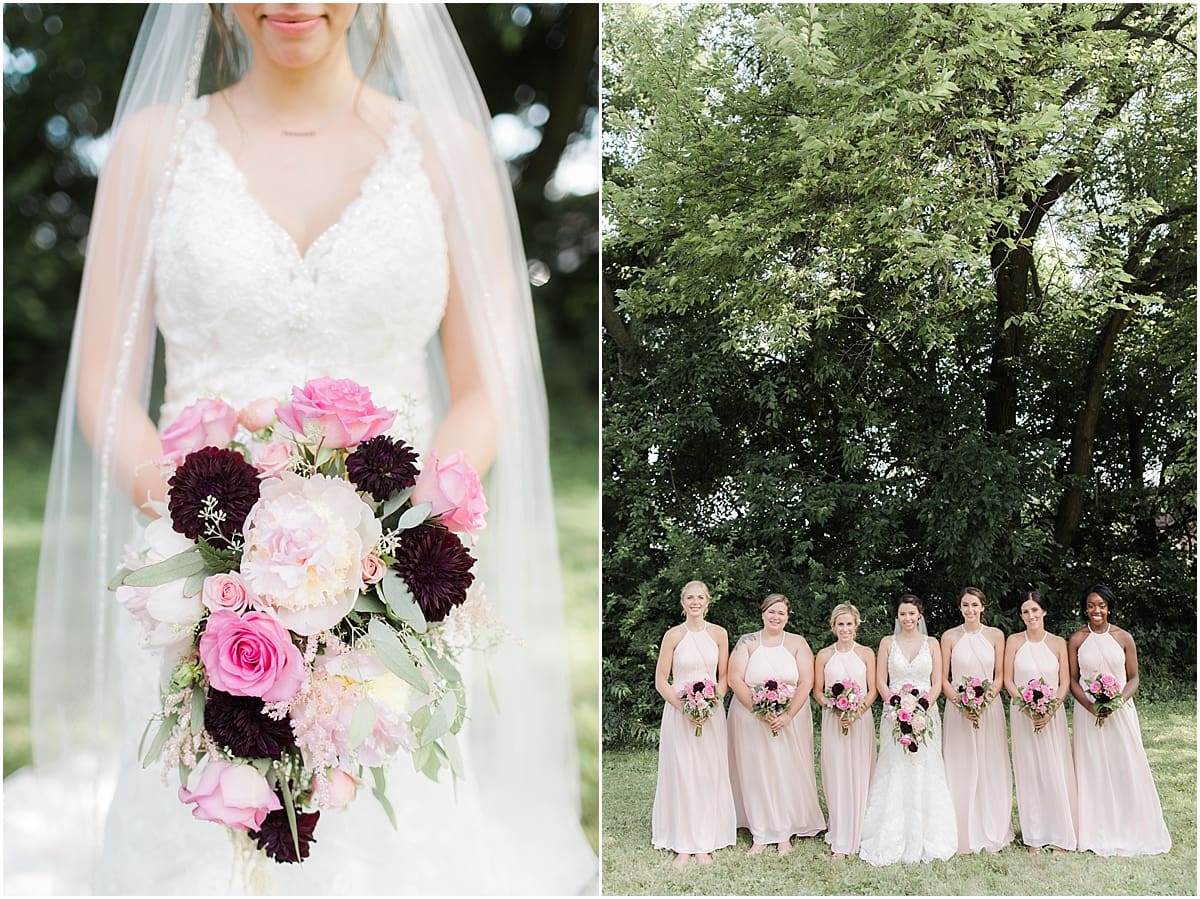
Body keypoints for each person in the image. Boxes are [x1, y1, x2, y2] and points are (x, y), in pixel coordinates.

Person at [4, 5, 596, 894]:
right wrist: (193, 519)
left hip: (393, 574)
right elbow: (102, 380)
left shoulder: (448, 149)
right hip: (193, 569)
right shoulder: (152, 145)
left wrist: (395, 534)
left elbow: (486, 386)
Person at [1067, 585, 1171, 856]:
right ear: (1085, 608)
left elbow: (1133, 677)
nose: (1096, 610)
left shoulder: (1123, 637)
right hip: (1087, 712)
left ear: (1109, 607)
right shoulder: (1077, 639)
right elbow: (1072, 680)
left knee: (1124, 764)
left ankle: (1131, 824)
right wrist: (1091, 706)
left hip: (1119, 710)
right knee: (1092, 767)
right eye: (1091, 605)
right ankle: (1094, 829)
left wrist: (1117, 702)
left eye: (1101, 605)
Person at [858, 593, 957, 865]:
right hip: (894, 712)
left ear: (920, 615)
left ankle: (928, 832)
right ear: (897, 617)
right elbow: (880, 680)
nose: (908, 618)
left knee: (926, 765)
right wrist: (895, 705)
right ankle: (892, 832)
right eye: (903, 614)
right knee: (896, 767)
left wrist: (922, 705)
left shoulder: (932, 643)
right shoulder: (887, 643)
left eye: (912, 613)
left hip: (927, 712)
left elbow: (937, 681)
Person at [727, 593, 825, 855]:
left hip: (790, 717)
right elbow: (735, 679)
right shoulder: (747, 641)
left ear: (788, 616)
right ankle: (760, 832)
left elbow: (806, 681)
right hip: (750, 716)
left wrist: (787, 714)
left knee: (786, 769)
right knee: (755, 770)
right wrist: (760, 711)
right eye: (771, 612)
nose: (776, 617)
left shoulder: (797, 642)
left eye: (781, 613)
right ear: (762, 613)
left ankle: (784, 832)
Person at [650, 580, 736, 868]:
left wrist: (711, 704)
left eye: (700, 597)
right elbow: (661, 680)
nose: (695, 601)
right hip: (680, 712)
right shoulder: (673, 635)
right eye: (690, 597)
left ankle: (704, 842)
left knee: (707, 773)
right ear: (682, 602)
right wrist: (684, 706)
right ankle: (683, 843)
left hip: (711, 714)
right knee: (683, 772)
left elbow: (724, 677)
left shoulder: (719, 634)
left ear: (708, 601)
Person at [939, 587, 1013, 854]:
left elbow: (1000, 675)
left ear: (983, 607)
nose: (969, 610)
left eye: (974, 605)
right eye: (965, 605)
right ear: (960, 608)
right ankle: (960, 826)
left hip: (988, 708)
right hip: (957, 708)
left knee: (989, 762)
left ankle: (991, 824)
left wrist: (983, 701)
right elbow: (943, 678)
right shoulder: (948, 637)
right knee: (960, 764)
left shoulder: (995, 635)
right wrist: (961, 703)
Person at [1003, 588, 1077, 855]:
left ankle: (1060, 835)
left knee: (1053, 768)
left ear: (1044, 611)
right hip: (1022, 714)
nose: (1030, 615)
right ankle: (1034, 836)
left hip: (1052, 716)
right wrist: (1025, 706)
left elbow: (1065, 681)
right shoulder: (1013, 641)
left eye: (1035, 610)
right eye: (1025, 611)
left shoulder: (1058, 642)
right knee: (1029, 771)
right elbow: (1008, 679)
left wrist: (1050, 710)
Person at [813, 603, 877, 859]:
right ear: (833, 626)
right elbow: (818, 690)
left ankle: (861, 831)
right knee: (837, 772)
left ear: (856, 625)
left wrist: (856, 710)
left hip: (860, 720)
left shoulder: (866, 654)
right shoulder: (824, 655)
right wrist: (835, 708)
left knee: (860, 771)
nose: (845, 629)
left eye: (849, 624)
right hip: (833, 719)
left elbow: (872, 689)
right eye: (840, 624)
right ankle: (840, 832)